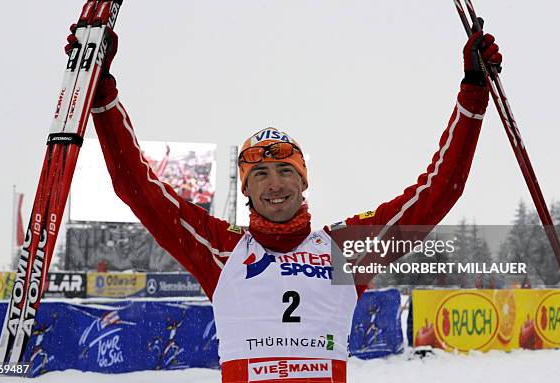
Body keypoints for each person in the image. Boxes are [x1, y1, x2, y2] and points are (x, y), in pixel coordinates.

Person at [66, 18, 502, 383]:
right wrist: (102, 93)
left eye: (285, 171)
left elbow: (440, 191)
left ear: (303, 182)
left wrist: (473, 92)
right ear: (247, 190)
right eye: (260, 174)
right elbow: (138, 188)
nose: (274, 183)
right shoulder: (220, 249)